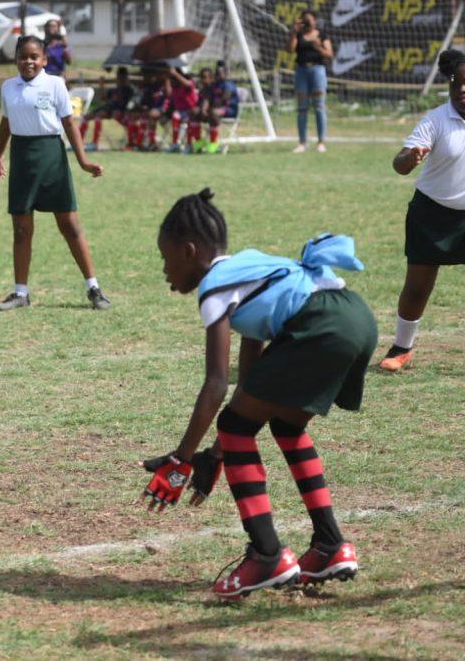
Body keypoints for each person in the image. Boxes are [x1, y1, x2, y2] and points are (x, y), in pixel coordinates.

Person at [143, 189, 375, 599]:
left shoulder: (215, 287)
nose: (164, 270)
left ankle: (267, 554)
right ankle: (329, 545)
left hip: (321, 323)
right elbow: (252, 388)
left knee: (233, 424)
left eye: (165, 258)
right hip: (356, 317)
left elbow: (217, 385)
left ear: (189, 251)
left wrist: (181, 459)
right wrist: (216, 454)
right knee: (283, 424)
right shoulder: (248, 268)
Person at [0, 36, 110, 311]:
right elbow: (5, 123)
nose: (29, 61)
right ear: (16, 60)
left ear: (44, 60)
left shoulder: (56, 84)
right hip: (22, 157)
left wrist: (83, 161)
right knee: (21, 229)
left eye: (35, 56)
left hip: (51, 156)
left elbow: (69, 124)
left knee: (69, 224)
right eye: (23, 56)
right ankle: (20, 293)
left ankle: (93, 287)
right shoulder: (9, 87)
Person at [380, 50, 465, 372]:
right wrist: (409, 158)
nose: (462, 90)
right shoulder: (436, 120)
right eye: (457, 84)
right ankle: (402, 347)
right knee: (417, 286)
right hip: (432, 213)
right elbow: (399, 164)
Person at [287, 10, 332, 154]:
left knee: (319, 106)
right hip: (301, 72)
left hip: (317, 71)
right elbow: (290, 49)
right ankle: (302, 142)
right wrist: (294, 32)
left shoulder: (321, 35)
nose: (306, 23)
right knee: (302, 108)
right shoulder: (299, 35)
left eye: (309, 20)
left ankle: (321, 142)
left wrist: (317, 46)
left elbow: (329, 54)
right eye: (304, 20)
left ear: (315, 21)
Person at [79, 67, 135, 150]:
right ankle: (79, 142)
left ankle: (94, 143)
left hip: (117, 110)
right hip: (107, 108)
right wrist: (101, 85)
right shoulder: (113, 90)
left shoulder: (128, 90)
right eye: (119, 77)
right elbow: (103, 99)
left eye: (122, 77)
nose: (120, 79)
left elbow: (129, 104)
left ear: (126, 78)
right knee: (87, 116)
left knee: (100, 117)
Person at [192, 61, 238, 154]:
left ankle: (214, 144)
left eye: (220, 73)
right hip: (213, 110)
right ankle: (199, 143)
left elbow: (225, 98)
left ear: (226, 73)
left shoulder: (229, 84)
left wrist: (209, 109)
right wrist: (204, 108)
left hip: (228, 109)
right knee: (195, 112)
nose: (218, 75)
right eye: (217, 72)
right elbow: (207, 98)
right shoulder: (214, 85)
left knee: (214, 112)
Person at [128, 65, 170, 151]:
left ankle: (151, 143)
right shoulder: (150, 87)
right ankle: (134, 143)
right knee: (134, 115)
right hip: (151, 110)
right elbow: (145, 102)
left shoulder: (165, 86)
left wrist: (166, 79)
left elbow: (169, 95)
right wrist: (142, 107)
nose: (157, 76)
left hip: (163, 110)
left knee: (150, 115)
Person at [166, 67, 199, 153]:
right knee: (175, 116)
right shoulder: (174, 88)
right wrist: (167, 77)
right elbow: (168, 93)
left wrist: (176, 74)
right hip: (181, 112)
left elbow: (189, 84)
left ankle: (189, 145)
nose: (172, 81)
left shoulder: (188, 84)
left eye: (173, 79)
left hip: (192, 111)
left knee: (189, 120)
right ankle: (175, 143)